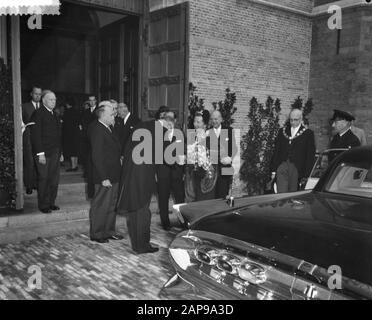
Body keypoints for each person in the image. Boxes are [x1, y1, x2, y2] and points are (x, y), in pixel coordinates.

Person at [117, 107, 171, 254]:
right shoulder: (161, 131)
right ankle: (142, 245)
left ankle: (137, 244)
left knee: (135, 210)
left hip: (131, 173)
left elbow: (127, 149)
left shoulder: (142, 125)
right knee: (142, 211)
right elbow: (166, 158)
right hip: (144, 176)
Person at [88, 101, 124, 244]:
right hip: (104, 176)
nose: (114, 116)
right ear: (102, 115)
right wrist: (103, 177)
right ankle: (97, 234)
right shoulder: (97, 129)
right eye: (111, 114)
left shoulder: (108, 128)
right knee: (101, 205)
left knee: (111, 205)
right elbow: (97, 155)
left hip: (114, 174)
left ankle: (109, 231)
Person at [30, 91, 61, 213]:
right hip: (43, 153)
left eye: (54, 100)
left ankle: (51, 202)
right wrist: (40, 153)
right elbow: (35, 135)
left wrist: (61, 152)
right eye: (50, 100)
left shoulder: (54, 114)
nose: (53, 102)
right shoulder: (38, 113)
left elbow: (58, 135)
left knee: (54, 179)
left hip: (55, 152)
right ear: (44, 101)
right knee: (44, 179)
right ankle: (43, 205)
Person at [270, 109, 316, 193]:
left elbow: (310, 155)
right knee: (281, 193)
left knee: (292, 194)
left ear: (301, 119)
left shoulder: (308, 134)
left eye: (296, 120)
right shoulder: (282, 131)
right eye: (291, 120)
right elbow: (277, 151)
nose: (293, 122)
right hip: (282, 166)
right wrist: (273, 170)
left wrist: (306, 175)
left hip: (297, 168)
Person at [156, 110, 185, 231]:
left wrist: (183, 170)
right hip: (163, 172)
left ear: (173, 123)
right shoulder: (158, 135)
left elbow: (183, 151)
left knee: (180, 198)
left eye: (170, 123)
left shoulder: (180, 134)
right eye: (166, 123)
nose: (168, 125)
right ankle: (165, 223)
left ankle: (183, 222)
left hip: (177, 172)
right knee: (163, 198)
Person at [185, 110, 217, 202]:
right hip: (194, 177)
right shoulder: (192, 137)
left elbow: (214, 161)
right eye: (195, 121)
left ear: (205, 124)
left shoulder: (211, 138)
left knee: (204, 205)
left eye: (198, 122)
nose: (195, 124)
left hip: (206, 179)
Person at [209, 110, 238, 199]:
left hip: (226, 169)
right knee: (213, 196)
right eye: (213, 119)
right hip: (212, 170)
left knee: (224, 195)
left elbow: (234, 148)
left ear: (221, 119)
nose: (214, 121)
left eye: (216, 119)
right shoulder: (208, 132)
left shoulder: (229, 130)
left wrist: (230, 158)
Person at [22, 86, 42, 195]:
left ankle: (37, 184)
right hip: (29, 138)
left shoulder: (44, 107)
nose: (38, 96)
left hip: (41, 139)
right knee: (29, 162)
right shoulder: (25, 107)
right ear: (31, 94)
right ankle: (29, 185)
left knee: (39, 162)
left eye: (39, 94)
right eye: (36, 94)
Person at [80, 95, 98, 198]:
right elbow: (83, 123)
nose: (91, 102)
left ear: (95, 101)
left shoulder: (99, 111)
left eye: (93, 100)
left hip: (96, 137)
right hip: (87, 138)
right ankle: (87, 172)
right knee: (87, 155)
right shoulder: (86, 112)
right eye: (90, 101)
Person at [62, 100, 80, 172]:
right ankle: (76, 165)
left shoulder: (67, 112)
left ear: (67, 104)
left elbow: (65, 124)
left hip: (69, 133)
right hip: (76, 133)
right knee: (75, 150)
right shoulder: (77, 111)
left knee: (71, 150)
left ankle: (73, 166)